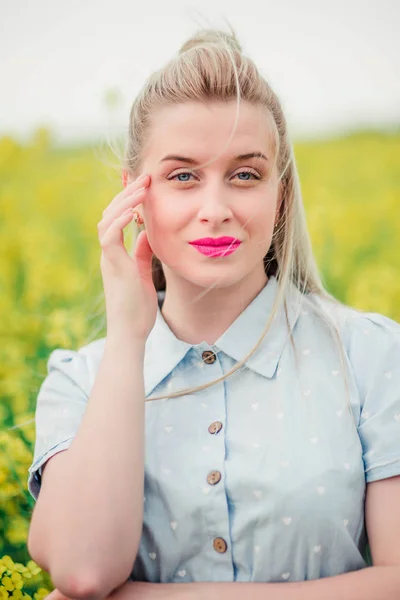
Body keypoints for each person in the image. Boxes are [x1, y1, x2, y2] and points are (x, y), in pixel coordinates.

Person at [27, 27, 400, 600]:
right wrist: (128, 339)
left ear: (281, 195)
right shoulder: (80, 381)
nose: (216, 209)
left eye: (246, 174)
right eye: (182, 176)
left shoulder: (372, 355)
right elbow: (82, 574)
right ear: (135, 196)